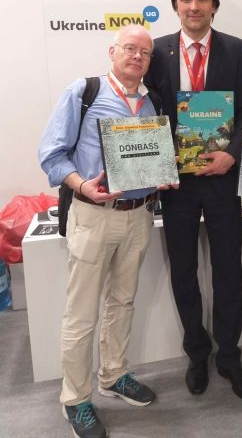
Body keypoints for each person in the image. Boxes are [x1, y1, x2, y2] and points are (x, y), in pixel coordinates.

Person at [39, 25, 169, 438]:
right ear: (112, 51)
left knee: (122, 302)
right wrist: (81, 185)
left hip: (139, 215)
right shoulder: (85, 92)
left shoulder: (151, 102)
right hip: (94, 215)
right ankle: (75, 399)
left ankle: (113, 375)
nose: (137, 56)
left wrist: (162, 174)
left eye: (145, 52)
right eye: (130, 48)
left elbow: (150, 156)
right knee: (81, 314)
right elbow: (51, 154)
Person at [144, 0, 242, 404]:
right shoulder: (157, 51)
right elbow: (148, 113)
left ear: (214, 5)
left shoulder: (234, 48)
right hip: (176, 183)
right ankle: (197, 353)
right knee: (184, 270)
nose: (194, 6)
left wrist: (232, 153)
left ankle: (229, 356)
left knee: (228, 270)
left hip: (222, 178)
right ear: (176, 4)